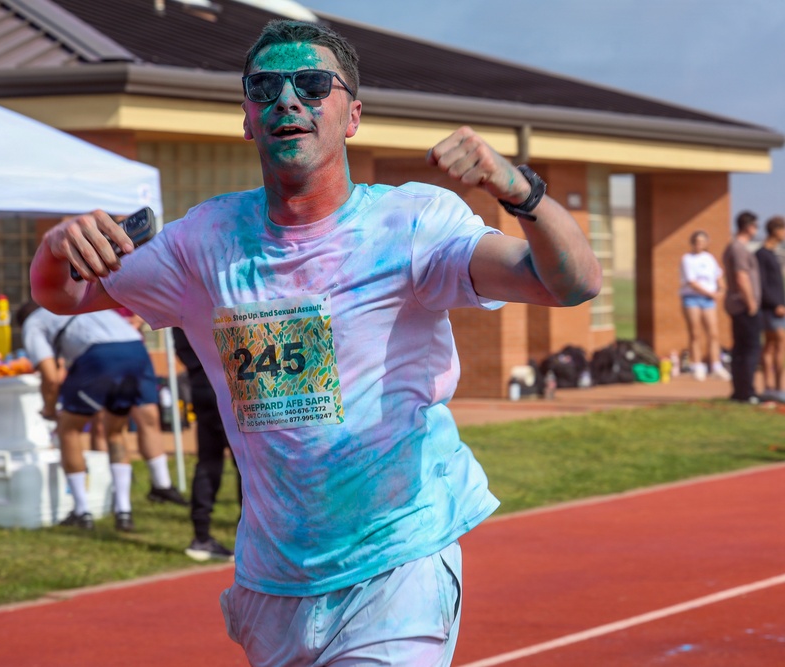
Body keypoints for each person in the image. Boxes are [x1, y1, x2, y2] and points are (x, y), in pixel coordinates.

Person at [30, 19, 601, 666]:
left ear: (351, 114)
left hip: (396, 562)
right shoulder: (205, 241)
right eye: (266, 87)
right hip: (274, 580)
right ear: (248, 118)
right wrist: (58, 246)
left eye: (311, 83)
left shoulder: (411, 223)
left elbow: (571, 283)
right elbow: (63, 295)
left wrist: (522, 193)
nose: (288, 99)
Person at [18, 303, 187, 532]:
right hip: (136, 350)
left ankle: (82, 511)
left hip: (99, 355)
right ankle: (123, 512)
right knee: (116, 431)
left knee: (69, 429)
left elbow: (49, 376)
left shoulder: (34, 322)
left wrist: (49, 409)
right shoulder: (81, 305)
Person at [172, 327, 238, 562]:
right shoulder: (214, 297)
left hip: (201, 383)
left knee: (209, 460)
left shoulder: (180, 301)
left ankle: (201, 536)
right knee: (244, 461)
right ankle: (250, 539)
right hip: (226, 381)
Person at [678, 231, 731, 380]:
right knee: (695, 333)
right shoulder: (687, 259)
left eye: (702, 241)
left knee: (713, 333)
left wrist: (721, 289)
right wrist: (711, 293)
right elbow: (692, 282)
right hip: (692, 298)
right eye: (696, 241)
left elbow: (718, 276)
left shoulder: (709, 258)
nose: (699, 244)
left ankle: (715, 365)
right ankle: (697, 365)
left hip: (708, 300)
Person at [722, 211, 763, 403]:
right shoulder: (738, 248)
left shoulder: (735, 247)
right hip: (743, 306)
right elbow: (741, 276)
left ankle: (740, 391)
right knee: (750, 349)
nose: (756, 230)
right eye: (755, 226)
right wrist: (751, 303)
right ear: (748, 227)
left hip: (738, 305)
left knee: (740, 349)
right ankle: (746, 391)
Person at [756, 216, 785, 393]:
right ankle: (773, 387)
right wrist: (776, 304)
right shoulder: (762, 254)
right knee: (776, 344)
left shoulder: (775, 253)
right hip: (771, 308)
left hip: (779, 306)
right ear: (775, 230)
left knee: (774, 345)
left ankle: (775, 387)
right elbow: (763, 283)